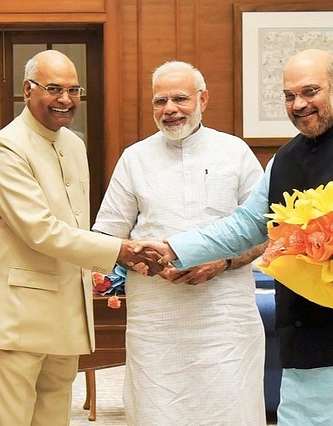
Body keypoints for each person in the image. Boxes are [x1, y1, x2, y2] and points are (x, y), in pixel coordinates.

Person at [147, 49, 333, 425]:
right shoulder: (282, 160)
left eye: (309, 92)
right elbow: (245, 226)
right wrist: (174, 248)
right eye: (289, 96)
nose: (299, 104)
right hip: (306, 352)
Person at [0, 50, 163, 426]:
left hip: (65, 316)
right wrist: (116, 250)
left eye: (74, 89)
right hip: (14, 319)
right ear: (27, 89)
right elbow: (39, 229)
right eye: (53, 88)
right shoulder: (7, 146)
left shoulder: (74, 144)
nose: (66, 99)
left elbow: (72, 223)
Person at [92, 60, 268, 425]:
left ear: (203, 99)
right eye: (160, 101)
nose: (169, 109)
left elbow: (267, 228)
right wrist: (137, 258)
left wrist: (223, 262)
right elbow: (107, 234)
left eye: (180, 99)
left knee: (230, 405)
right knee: (158, 408)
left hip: (225, 313)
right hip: (157, 315)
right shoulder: (134, 158)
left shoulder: (235, 152)